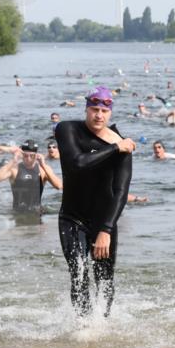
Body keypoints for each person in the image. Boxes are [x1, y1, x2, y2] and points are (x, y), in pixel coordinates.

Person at [54, 86, 135, 317]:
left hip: (104, 222)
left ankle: (103, 323)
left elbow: (121, 192)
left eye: (103, 111)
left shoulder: (122, 144)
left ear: (110, 114)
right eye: (94, 109)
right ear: (86, 109)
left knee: (105, 279)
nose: (99, 115)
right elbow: (77, 164)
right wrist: (115, 148)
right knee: (78, 273)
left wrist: (106, 230)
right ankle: (84, 327)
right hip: (72, 218)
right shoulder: (67, 129)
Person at [0, 140, 63, 213]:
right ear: (22, 155)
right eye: (25, 155)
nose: (28, 159)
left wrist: (43, 165)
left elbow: (59, 186)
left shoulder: (43, 170)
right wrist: (13, 160)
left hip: (38, 212)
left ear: (36, 155)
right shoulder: (15, 170)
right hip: (18, 213)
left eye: (32, 156)